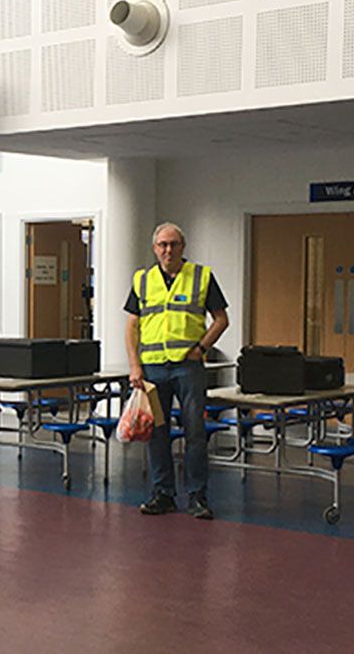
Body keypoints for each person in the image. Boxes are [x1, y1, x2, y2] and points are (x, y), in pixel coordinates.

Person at [124, 222, 229, 520]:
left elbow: (221, 319)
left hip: (188, 368)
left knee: (195, 432)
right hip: (153, 369)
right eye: (162, 245)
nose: (167, 250)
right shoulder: (142, 280)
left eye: (173, 244)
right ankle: (163, 493)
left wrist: (202, 348)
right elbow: (132, 326)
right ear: (155, 248)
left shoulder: (201, 277)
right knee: (157, 433)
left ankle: (197, 496)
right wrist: (135, 366)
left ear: (183, 247)